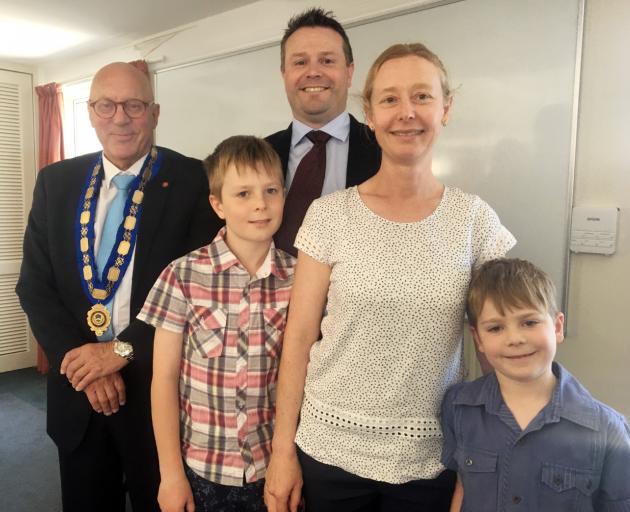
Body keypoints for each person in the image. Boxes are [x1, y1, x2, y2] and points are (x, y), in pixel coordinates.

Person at [263, 43, 516, 512]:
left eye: (422, 96)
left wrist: (480, 462)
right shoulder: (329, 216)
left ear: (446, 109)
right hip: (327, 453)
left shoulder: (475, 222)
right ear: (370, 113)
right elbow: (296, 340)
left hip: (431, 460)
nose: (407, 113)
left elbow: (493, 354)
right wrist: (282, 451)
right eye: (390, 99)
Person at [16, 62, 222, 511]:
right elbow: (34, 285)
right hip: (79, 394)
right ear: (90, 112)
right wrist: (82, 362)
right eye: (105, 106)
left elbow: (199, 292)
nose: (120, 118)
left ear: (154, 112)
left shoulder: (195, 181)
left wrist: (120, 351)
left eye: (134, 105)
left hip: (159, 395)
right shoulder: (57, 182)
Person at [137, 136, 296, 512]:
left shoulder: (300, 278)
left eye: (271, 190)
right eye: (243, 194)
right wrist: (171, 474)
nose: (260, 204)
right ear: (217, 204)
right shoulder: (182, 275)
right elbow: (164, 379)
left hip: (274, 469)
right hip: (202, 470)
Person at [441, 258, 630, 512]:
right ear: (479, 339)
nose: (515, 339)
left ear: (557, 327)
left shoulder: (609, 431)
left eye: (529, 322)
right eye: (496, 328)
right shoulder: (458, 407)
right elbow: (463, 486)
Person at [266, 7, 381, 255]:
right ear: (284, 75)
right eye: (300, 62)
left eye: (327, 60)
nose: (313, 72)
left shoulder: (384, 151)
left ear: (349, 72)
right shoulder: (259, 154)